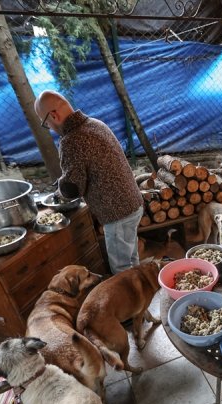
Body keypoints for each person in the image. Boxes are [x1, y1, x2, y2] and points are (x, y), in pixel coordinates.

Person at [34, 90, 143, 274]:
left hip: (117, 213)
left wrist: (60, 189)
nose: (50, 128)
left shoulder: (72, 140)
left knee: (122, 269)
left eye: (46, 123)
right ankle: (141, 288)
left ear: (53, 115)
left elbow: (73, 189)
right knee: (131, 258)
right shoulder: (94, 123)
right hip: (132, 203)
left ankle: (133, 291)